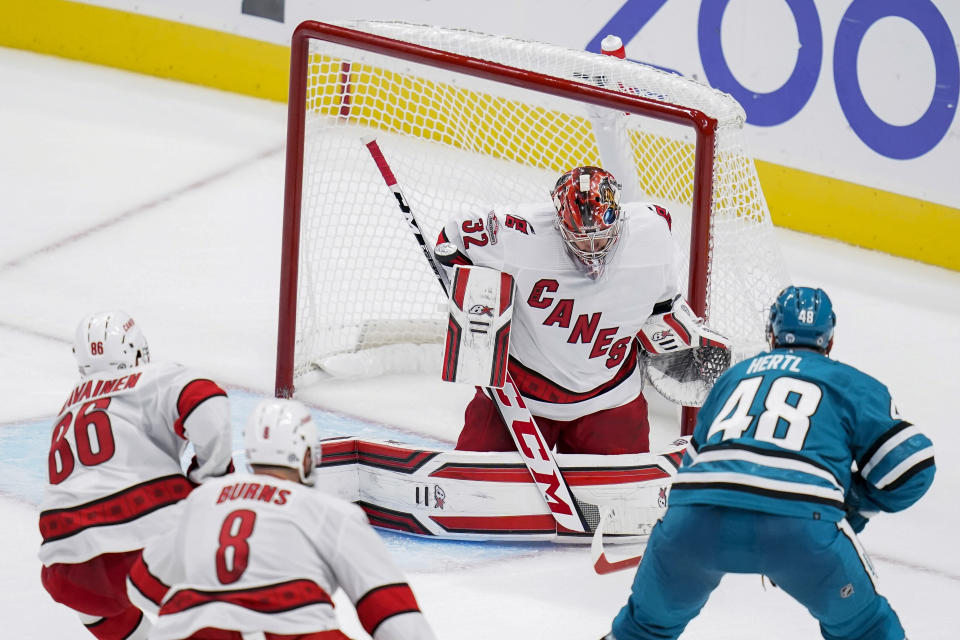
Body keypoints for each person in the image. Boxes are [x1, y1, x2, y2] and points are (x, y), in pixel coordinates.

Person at [605, 286, 936, 640]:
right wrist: (854, 503)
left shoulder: (734, 377)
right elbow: (912, 466)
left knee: (641, 631)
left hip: (695, 522)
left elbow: (692, 466)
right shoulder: (850, 382)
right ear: (830, 339)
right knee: (868, 628)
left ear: (772, 333)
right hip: (799, 527)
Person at [434, 161, 730, 455]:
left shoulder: (650, 232)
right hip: (519, 396)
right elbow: (453, 236)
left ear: (618, 216)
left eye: (600, 236)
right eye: (579, 237)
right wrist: (474, 296)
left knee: (622, 500)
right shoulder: (519, 234)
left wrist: (674, 324)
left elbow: (661, 305)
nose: (591, 249)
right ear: (558, 221)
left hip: (610, 397)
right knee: (475, 493)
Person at [126, 397, 438, 640]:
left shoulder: (202, 499)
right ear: (306, 457)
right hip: (292, 627)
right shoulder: (328, 511)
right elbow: (392, 610)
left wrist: (208, 607)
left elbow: (141, 584)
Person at [39, 310, 235, 640]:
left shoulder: (66, 411)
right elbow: (207, 403)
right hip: (146, 542)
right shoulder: (150, 379)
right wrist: (211, 479)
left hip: (65, 570)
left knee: (94, 596)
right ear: (135, 349)